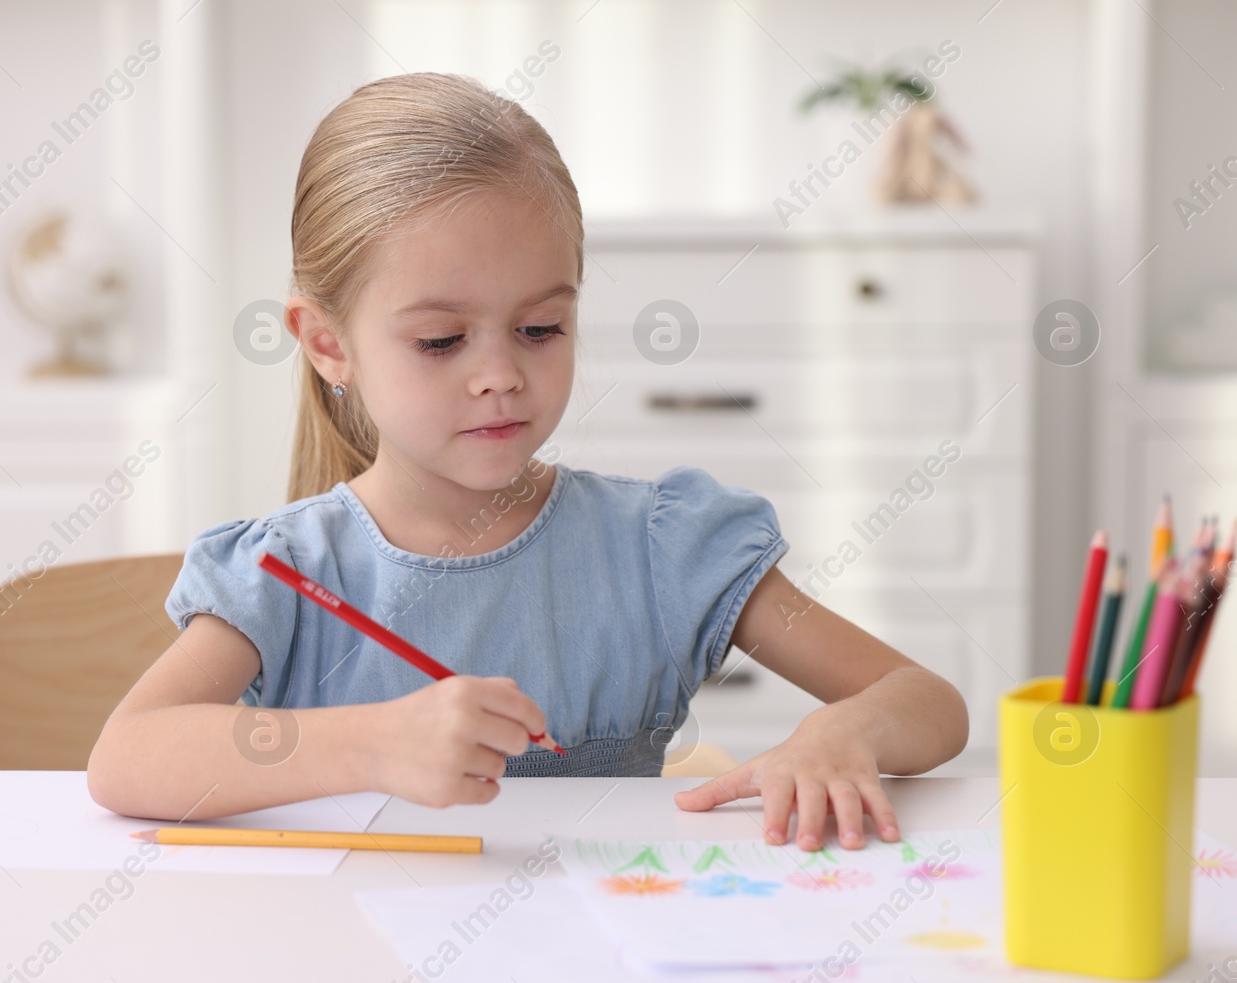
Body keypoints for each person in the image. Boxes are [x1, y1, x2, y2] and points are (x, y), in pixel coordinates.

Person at [87, 72, 967, 850]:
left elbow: (927, 700)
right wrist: (372, 743)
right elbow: (126, 759)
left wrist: (844, 734)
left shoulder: (659, 546)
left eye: (541, 328)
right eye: (440, 340)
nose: (502, 375)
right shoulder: (286, 573)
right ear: (327, 343)